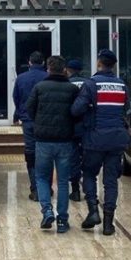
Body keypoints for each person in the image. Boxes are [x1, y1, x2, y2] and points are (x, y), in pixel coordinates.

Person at [71, 49, 130, 236]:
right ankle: (108, 224)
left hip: (95, 139)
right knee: (111, 181)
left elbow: (76, 110)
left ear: (99, 63)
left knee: (89, 174)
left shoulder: (91, 84)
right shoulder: (122, 85)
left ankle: (93, 211)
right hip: (117, 140)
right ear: (113, 65)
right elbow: (127, 110)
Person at [26, 56, 80, 233]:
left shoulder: (39, 87)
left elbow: (29, 109)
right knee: (63, 181)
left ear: (48, 69)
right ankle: (62, 220)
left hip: (43, 140)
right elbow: (77, 112)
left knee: (42, 177)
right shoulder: (72, 89)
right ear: (64, 70)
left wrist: (39, 123)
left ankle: (47, 211)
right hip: (65, 140)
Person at [12, 51, 48, 201]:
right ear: (43, 63)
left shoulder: (21, 78)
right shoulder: (48, 77)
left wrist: (19, 114)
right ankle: (45, 187)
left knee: (31, 153)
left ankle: (35, 188)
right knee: (45, 153)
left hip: (28, 121)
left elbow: (16, 98)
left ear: (29, 62)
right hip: (45, 121)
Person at [66, 59, 87, 201]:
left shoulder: (66, 84)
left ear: (68, 70)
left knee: (73, 159)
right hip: (87, 127)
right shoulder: (88, 83)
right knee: (87, 158)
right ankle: (89, 189)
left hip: (71, 127)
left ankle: (75, 191)